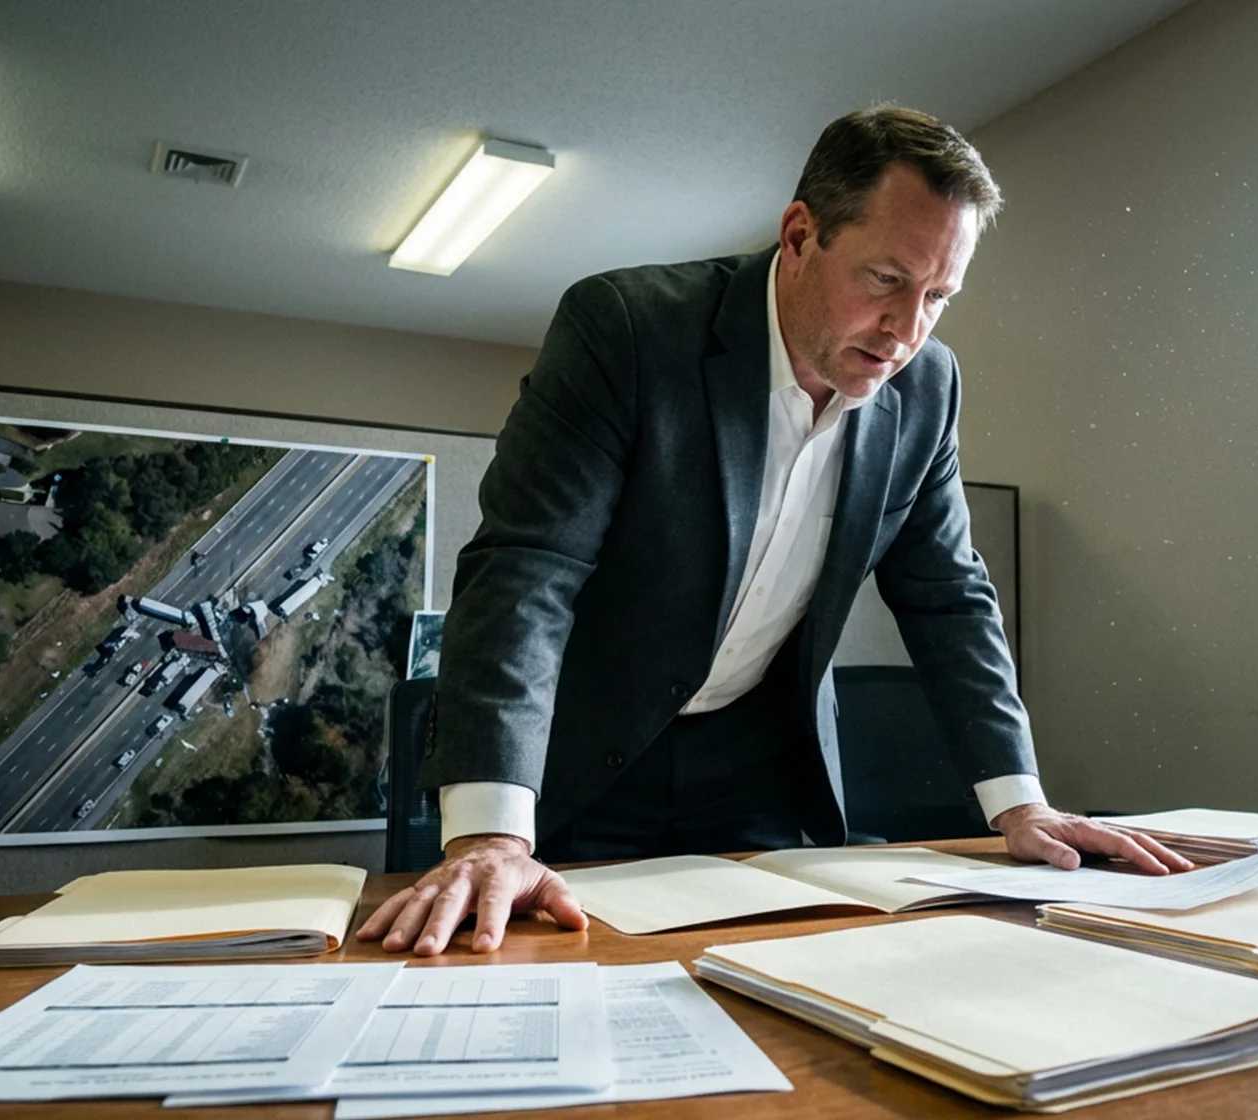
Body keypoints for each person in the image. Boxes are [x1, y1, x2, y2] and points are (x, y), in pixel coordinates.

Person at [358, 106, 1191, 957]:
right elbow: (530, 570)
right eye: (886, 280)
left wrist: (1022, 804)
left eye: (939, 296)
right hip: (578, 759)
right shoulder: (630, 331)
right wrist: (494, 833)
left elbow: (949, 598)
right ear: (800, 236)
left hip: (760, 765)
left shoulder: (927, 389)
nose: (907, 332)